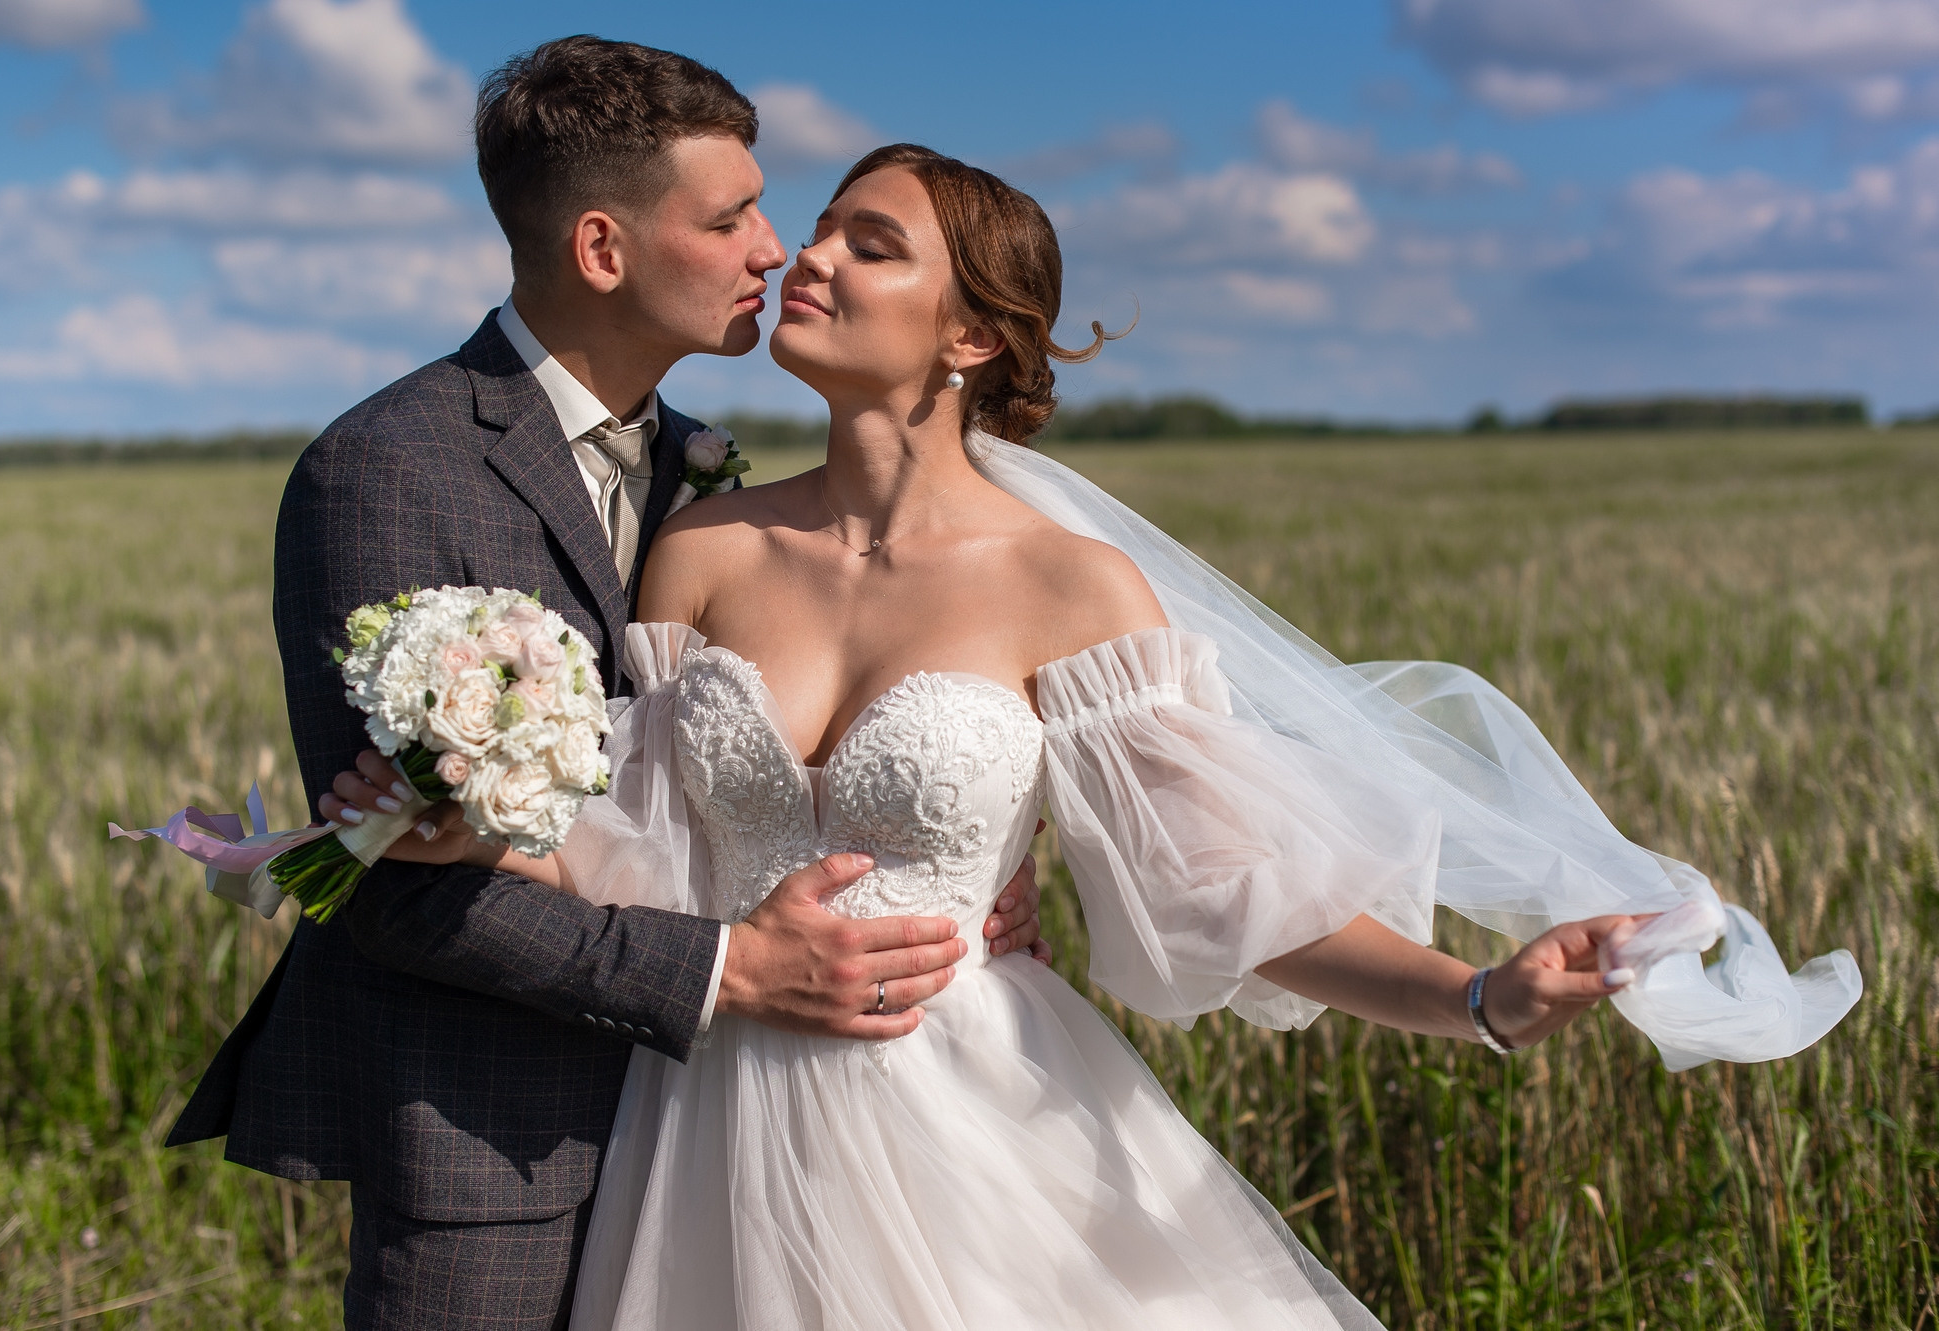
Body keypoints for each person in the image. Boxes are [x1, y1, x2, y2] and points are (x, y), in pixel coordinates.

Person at [324, 142, 1857, 1327]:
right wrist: (443, 813)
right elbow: (630, 850)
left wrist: (1478, 996)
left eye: (875, 244)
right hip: (706, 1118)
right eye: (822, 227)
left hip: (968, 1114)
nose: (807, 258)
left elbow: (1231, 893)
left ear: (974, 337)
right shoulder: (703, 554)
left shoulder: (1073, 587)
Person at [168, 41, 1048, 1331]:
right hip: (502, 1152)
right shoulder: (388, 471)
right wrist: (727, 972)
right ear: (601, 250)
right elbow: (384, 879)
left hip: (753, 1141)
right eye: (729, 216)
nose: (775, 251)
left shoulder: (703, 470)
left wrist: (980, 853)